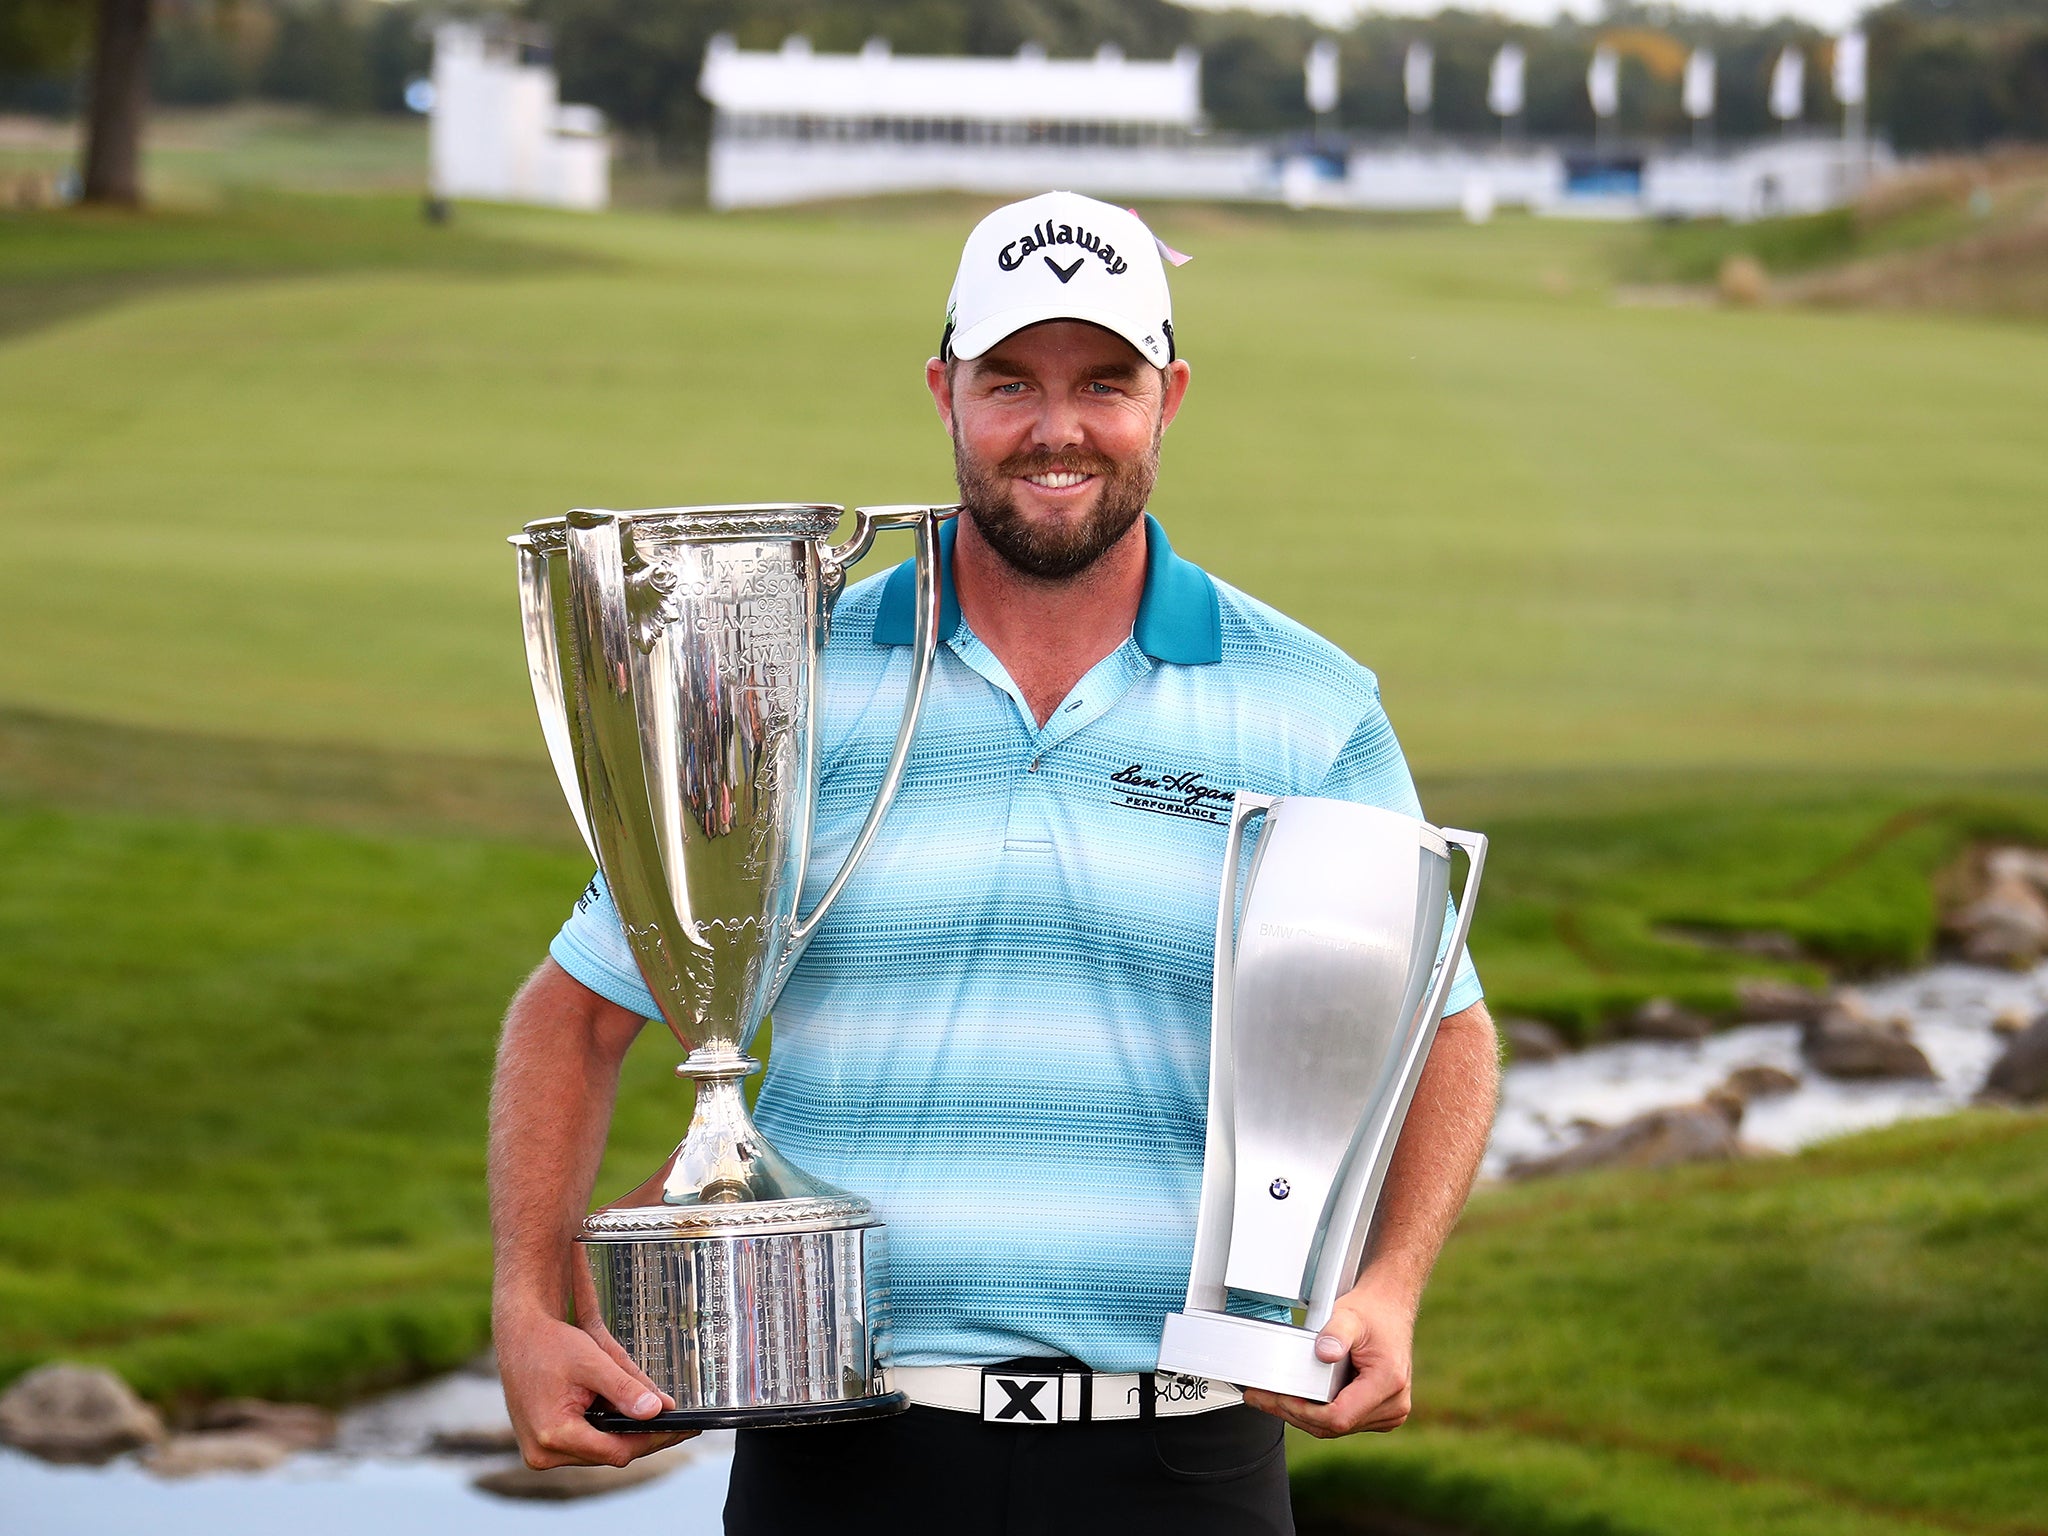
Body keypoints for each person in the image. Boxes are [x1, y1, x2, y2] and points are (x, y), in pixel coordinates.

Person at [488, 191, 1498, 1534]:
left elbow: (1444, 1030)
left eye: (1105, 383)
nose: (1056, 428)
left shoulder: (1303, 704)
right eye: (1010, 382)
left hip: (1182, 1455)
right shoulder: (785, 677)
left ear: (1171, 397)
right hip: (849, 1452)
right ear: (944, 391)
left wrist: (1392, 1283)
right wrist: (523, 1299)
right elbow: (577, 1011)